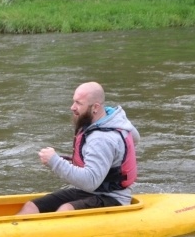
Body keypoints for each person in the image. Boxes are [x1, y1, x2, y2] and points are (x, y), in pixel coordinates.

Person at [17, 82, 139, 214]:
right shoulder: (114, 119)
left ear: (95, 107)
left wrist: (55, 161)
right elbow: (135, 138)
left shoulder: (101, 139)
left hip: (113, 198)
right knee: (32, 206)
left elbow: (90, 182)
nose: (72, 107)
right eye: (73, 101)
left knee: (66, 210)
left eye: (79, 103)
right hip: (89, 192)